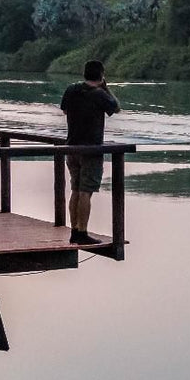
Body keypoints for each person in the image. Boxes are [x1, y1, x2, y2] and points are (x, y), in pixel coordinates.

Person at [59, 59, 121, 245]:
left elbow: (64, 110)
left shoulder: (71, 89)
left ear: (84, 73)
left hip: (71, 147)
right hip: (91, 150)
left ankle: (74, 230)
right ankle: (82, 232)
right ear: (101, 76)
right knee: (86, 191)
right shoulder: (100, 94)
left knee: (75, 190)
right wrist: (106, 88)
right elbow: (116, 108)